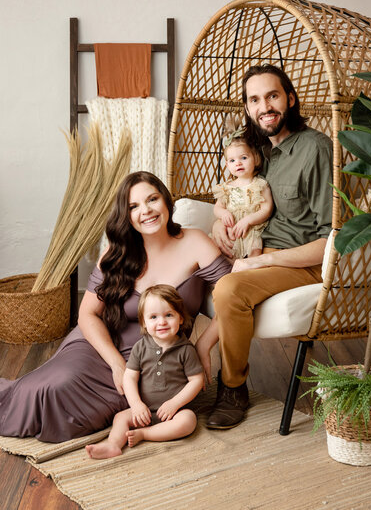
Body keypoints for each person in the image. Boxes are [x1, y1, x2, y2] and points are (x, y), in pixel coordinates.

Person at [0, 171, 231, 443]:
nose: (146, 211)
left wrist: (203, 345)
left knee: (79, 416)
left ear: (166, 201)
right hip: (101, 348)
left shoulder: (195, 242)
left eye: (152, 199)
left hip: (157, 360)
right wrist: (116, 364)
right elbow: (87, 314)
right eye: (134, 206)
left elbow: (233, 298)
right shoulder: (116, 253)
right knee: (52, 389)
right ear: (126, 215)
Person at [196, 64, 333, 430]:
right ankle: (167, 372)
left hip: (298, 263)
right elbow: (235, 200)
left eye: (272, 96)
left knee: (228, 289)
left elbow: (330, 241)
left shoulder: (316, 148)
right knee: (185, 264)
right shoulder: (253, 151)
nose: (264, 106)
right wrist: (216, 223)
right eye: (254, 99)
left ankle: (233, 386)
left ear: (289, 99)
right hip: (252, 251)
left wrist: (262, 262)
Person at [86, 284, 204, 459]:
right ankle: (113, 445)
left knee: (189, 421)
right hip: (145, 410)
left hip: (174, 413)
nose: (161, 322)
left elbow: (197, 380)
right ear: (144, 323)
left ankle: (146, 434)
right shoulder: (141, 347)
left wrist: (175, 404)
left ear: (180, 318)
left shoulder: (186, 350)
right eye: (153, 317)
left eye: (169, 315)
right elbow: (130, 377)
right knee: (120, 418)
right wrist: (136, 404)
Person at [213, 117, 274, 259]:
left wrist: (249, 220)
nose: (238, 163)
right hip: (231, 228)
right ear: (227, 165)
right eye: (232, 160)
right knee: (222, 250)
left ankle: (247, 272)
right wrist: (223, 214)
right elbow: (218, 207)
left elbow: (266, 209)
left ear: (256, 159)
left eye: (244, 158)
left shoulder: (259, 185)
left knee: (254, 248)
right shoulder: (226, 187)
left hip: (251, 229)